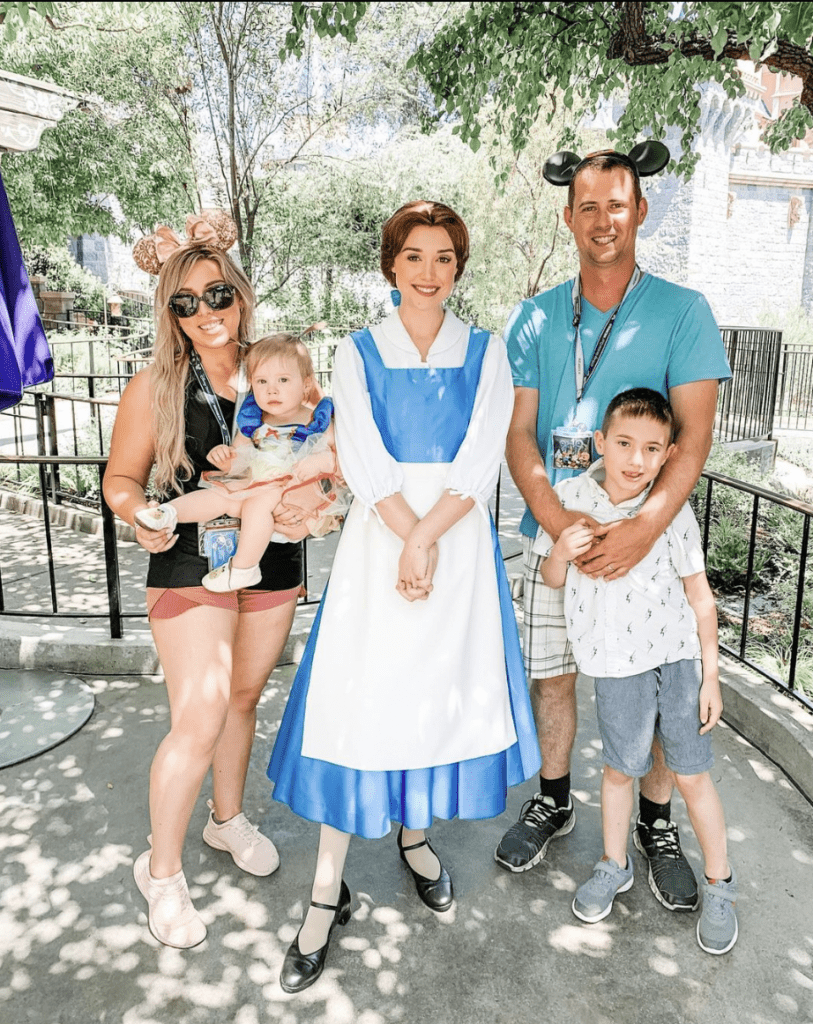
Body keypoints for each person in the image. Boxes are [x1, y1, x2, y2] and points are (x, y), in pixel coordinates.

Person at [266, 200, 541, 993]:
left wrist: (426, 537)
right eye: (413, 256)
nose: (428, 271)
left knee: (432, 697)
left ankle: (414, 840)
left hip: (453, 547)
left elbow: (483, 452)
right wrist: (407, 533)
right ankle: (324, 894)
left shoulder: (486, 351)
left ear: (458, 267)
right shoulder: (356, 351)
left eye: (443, 257)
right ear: (391, 264)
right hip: (377, 545)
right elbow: (362, 450)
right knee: (357, 703)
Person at [496, 144, 732, 916]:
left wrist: (640, 530)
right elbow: (520, 435)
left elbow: (690, 441)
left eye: (617, 205)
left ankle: (655, 826)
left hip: (649, 547)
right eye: (587, 207)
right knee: (552, 677)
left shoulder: (683, 311)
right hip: (558, 535)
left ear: (641, 212)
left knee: (663, 688)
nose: (602, 221)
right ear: (568, 217)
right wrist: (565, 521)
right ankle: (554, 798)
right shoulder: (533, 318)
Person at [104, 218, 309, 949]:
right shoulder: (153, 385)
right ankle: (160, 872)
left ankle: (227, 821)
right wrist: (138, 515)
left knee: (245, 698)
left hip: (272, 555)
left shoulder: (278, 365)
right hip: (189, 558)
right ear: (170, 313)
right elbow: (120, 481)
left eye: (216, 292)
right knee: (199, 713)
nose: (204, 311)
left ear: (241, 294)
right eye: (184, 302)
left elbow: (323, 448)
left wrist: (314, 497)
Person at [537, 389, 737, 954]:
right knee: (621, 768)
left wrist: (712, 676)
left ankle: (721, 887)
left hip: (676, 662)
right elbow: (555, 580)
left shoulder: (668, 510)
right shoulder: (572, 497)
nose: (636, 459)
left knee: (692, 773)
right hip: (615, 665)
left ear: (670, 453)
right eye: (624, 443)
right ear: (601, 442)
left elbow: (701, 598)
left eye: (652, 448)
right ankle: (613, 864)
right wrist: (561, 550)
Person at [134, 332, 349, 592]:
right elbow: (238, 462)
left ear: (305, 385)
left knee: (257, 504)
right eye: (262, 381)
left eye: (283, 379)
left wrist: (323, 460)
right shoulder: (254, 421)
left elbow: (344, 460)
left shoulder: (317, 420)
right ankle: (168, 514)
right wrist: (224, 457)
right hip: (259, 487)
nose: (272, 389)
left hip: (295, 493)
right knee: (221, 495)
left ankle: (244, 568)